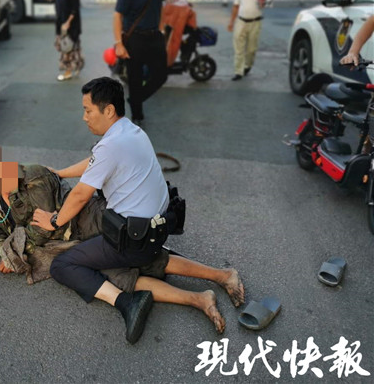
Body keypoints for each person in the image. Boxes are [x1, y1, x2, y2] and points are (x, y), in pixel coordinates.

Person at [30, 77, 245, 344]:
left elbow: (80, 195)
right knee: (146, 256)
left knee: (64, 265)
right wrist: (60, 173)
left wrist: (54, 220)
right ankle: (220, 278)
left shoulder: (110, 145)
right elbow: (95, 162)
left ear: (109, 110)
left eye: (88, 110)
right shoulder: (130, 131)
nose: (84, 117)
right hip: (157, 226)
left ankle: (125, 301)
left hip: (133, 238)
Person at [0, 152, 244, 337]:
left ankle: (221, 275)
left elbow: (43, 229)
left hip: (86, 218)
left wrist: (17, 250)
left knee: (140, 254)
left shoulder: (33, 176)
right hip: (66, 246)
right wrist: (4, 252)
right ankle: (199, 299)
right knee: (120, 278)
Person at [113, 0, 168, 126]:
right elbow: (118, 15)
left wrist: (161, 30)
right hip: (135, 38)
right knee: (135, 79)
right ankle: (137, 115)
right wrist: (119, 44)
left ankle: (135, 100)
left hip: (155, 36)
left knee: (161, 76)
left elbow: (160, 5)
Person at [227, 0, 271, 81]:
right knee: (238, 48)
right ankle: (238, 71)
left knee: (251, 49)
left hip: (255, 22)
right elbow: (236, 6)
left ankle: (247, 65)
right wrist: (231, 22)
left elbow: (264, 5)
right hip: (241, 21)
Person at [53, 0, 84, 82]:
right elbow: (58, 3)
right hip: (60, 22)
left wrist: (68, 22)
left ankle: (68, 72)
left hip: (71, 24)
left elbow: (75, 7)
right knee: (67, 47)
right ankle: (77, 64)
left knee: (67, 48)